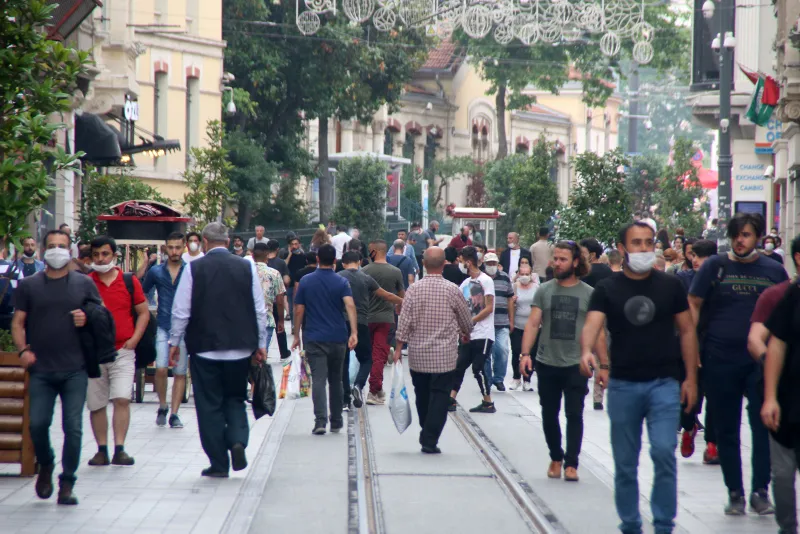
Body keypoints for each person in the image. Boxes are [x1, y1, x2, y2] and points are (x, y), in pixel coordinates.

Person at [580, 221, 699, 534]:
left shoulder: (670, 285)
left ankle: (663, 525)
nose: (644, 249)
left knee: (663, 452)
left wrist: (691, 379)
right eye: (637, 243)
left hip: (664, 382)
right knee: (625, 463)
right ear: (623, 249)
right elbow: (592, 325)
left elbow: (687, 330)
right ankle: (631, 524)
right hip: (623, 384)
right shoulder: (608, 288)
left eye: (649, 243)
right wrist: (586, 352)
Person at [689, 212, 787, 515]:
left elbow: (785, 311)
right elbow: (694, 304)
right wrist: (692, 350)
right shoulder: (715, 267)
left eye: (745, 235)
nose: (739, 241)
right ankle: (735, 492)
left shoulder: (773, 270)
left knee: (762, 426)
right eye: (735, 235)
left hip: (760, 360)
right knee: (726, 428)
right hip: (719, 358)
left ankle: (760, 491)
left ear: (757, 237)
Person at [171, 222, 268, 477]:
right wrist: (261, 345)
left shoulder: (193, 268)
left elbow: (181, 310)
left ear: (204, 241)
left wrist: (174, 343)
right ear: (227, 242)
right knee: (235, 398)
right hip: (239, 348)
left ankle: (218, 463)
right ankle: (237, 439)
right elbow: (260, 309)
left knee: (209, 404)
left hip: (204, 349)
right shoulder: (246, 267)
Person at [11, 230, 101, 505]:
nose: (57, 250)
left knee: (73, 427)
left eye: (62, 246)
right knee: (37, 424)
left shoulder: (84, 284)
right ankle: (47, 463)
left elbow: (102, 318)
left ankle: (67, 482)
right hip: (41, 368)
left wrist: (87, 317)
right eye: (51, 246)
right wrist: (23, 351)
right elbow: (17, 323)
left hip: (75, 368)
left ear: (70, 249)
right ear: (41, 250)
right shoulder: (29, 285)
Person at [520, 241, 605, 482]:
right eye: (555, 259)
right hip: (547, 361)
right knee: (549, 413)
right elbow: (533, 323)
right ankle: (556, 457)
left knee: (574, 414)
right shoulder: (544, 290)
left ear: (576, 262)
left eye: (562, 259)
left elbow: (597, 332)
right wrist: (525, 354)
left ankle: (572, 463)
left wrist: (604, 365)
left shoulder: (589, 293)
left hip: (577, 363)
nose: (556, 263)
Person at [393, 247, 473, 453]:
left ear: (424, 264)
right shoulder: (453, 290)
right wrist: (466, 333)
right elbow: (466, 319)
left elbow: (405, 321)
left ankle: (426, 429)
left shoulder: (414, 289)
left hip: (418, 356)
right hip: (445, 357)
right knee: (440, 395)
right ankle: (429, 437)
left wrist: (398, 347)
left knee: (422, 394)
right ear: (445, 263)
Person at [86, 235, 150, 467]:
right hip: (94, 353)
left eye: (105, 254)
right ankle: (101, 449)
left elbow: (143, 312)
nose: (100, 258)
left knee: (122, 398)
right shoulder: (86, 283)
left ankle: (120, 448)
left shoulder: (129, 281)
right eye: (96, 255)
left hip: (123, 350)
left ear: (114, 255)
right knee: (96, 403)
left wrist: (134, 339)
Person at [752, 234, 800, 534]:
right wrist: (770, 397)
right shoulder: (791, 296)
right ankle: (788, 527)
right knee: (782, 475)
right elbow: (776, 345)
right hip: (790, 398)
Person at [293, 244, 358, 434]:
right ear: (335, 261)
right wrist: (353, 332)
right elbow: (350, 305)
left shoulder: (306, 281)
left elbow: (298, 309)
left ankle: (320, 421)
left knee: (319, 380)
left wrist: (296, 335)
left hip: (314, 337)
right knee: (336, 379)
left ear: (318, 259)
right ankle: (336, 420)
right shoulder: (341, 282)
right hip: (338, 337)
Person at [674, 239, 720, 464]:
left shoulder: (720, 281)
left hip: (713, 345)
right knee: (688, 395)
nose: (695, 260)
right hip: (689, 345)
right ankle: (689, 426)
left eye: (700, 257)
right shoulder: (682, 280)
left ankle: (712, 444)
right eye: (693, 255)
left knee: (714, 395)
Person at [339, 251, 403, 408]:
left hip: (341, 324)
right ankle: (358, 385)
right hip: (361, 323)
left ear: (343, 263)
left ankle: (345, 400)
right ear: (360, 262)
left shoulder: (338, 277)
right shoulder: (366, 278)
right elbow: (387, 296)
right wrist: (405, 300)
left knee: (343, 361)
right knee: (367, 359)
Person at [142, 233, 188, 428]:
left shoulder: (190, 271)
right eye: (171, 247)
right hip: (162, 324)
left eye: (178, 247)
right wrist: (147, 313)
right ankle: (162, 405)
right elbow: (144, 292)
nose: (174, 251)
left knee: (180, 372)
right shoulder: (156, 272)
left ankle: (175, 413)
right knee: (160, 368)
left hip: (185, 327)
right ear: (165, 248)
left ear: (184, 247)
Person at [450, 246, 497, 413]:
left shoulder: (486, 281)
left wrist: (470, 321)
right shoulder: (465, 284)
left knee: (478, 368)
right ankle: (451, 399)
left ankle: (488, 402)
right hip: (468, 334)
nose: (460, 264)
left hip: (483, 334)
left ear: (468, 262)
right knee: (459, 366)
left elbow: (489, 307)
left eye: (461, 261)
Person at [362, 240, 405, 405]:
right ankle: (374, 390)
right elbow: (402, 295)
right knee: (378, 355)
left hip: (366, 319)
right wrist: (400, 309)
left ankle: (374, 389)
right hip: (385, 319)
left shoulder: (364, 271)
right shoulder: (395, 272)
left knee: (371, 356)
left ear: (373, 251)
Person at [482, 253, 514, 391]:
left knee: (503, 350)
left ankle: (499, 378)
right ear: (484, 264)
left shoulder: (505, 277)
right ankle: (487, 379)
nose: (491, 266)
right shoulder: (480, 279)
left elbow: (510, 299)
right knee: (485, 353)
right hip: (484, 323)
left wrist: (511, 320)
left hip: (502, 322)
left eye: (494, 263)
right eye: (489, 263)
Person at [510, 263, 539, 391]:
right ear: (518, 275)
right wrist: (512, 302)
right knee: (516, 351)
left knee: (531, 353)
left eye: (527, 274)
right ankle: (516, 378)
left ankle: (527, 380)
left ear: (531, 275)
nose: (524, 277)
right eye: (522, 274)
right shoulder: (514, 287)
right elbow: (509, 305)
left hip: (533, 326)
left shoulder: (537, 288)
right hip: (517, 324)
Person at [252, 242, 284, 356]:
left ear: (252, 255)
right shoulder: (274, 274)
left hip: (247, 320)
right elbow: (280, 301)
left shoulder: (244, 271)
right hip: (267, 319)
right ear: (267, 256)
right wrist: (281, 320)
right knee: (262, 355)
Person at [264, 239, 291, 359]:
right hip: (276, 300)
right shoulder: (281, 263)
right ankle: (284, 352)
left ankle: (263, 351)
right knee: (280, 327)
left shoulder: (262, 262)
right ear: (277, 249)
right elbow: (286, 280)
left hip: (263, 302)